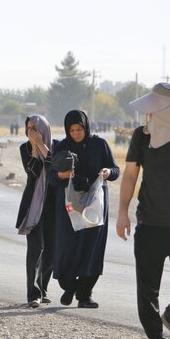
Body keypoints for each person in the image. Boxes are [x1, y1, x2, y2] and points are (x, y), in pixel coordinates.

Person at [117, 82, 170, 339]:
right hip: (150, 225)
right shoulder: (141, 136)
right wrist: (122, 212)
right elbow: (131, 174)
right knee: (147, 289)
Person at [48, 109, 119, 309]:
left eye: (79, 129)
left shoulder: (99, 144)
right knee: (66, 251)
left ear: (86, 127)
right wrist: (62, 175)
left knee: (92, 249)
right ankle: (70, 287)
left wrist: (107, 172)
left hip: (95, 205)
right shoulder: (62, 147)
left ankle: (84, 295)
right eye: (72, 130)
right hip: (69, 207)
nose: (76, 133)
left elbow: (115, 170)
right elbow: (51, 177)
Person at [16, 115, 58, 308]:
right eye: (28, 128)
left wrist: (42, 144)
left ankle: (43, 288)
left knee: (50, 249)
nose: (31, 132)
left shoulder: (57, 146)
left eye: (35, 128)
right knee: (35, 248)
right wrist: (34, 148)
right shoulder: (24, 148)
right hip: (33, 204)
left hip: (53, 205)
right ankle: (33, 294)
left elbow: (55, 167)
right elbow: (33, 171)